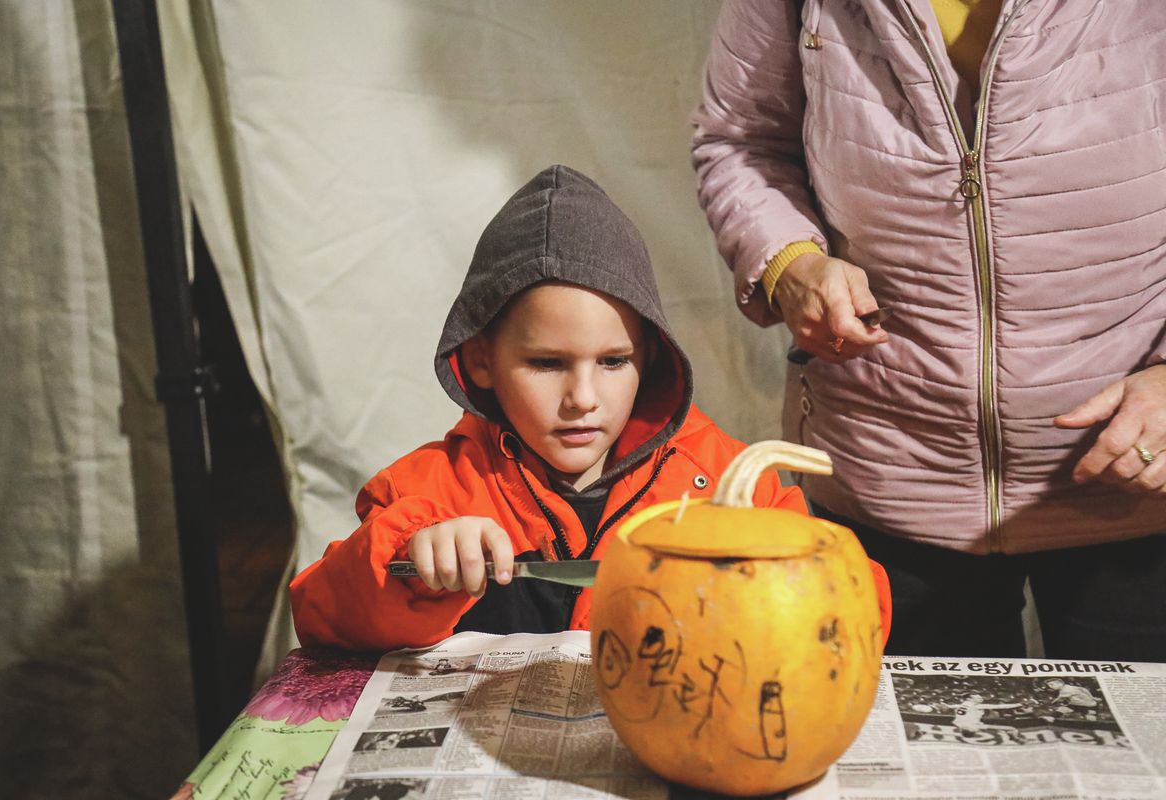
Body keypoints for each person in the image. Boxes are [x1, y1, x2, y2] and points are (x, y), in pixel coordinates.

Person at [690, 1, 1166, 661]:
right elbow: (740, 140)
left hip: (1137, 490)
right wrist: (788, 263)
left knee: (1141, 763)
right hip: (886, 473)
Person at [290, 165, 893, 653]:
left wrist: (781, 580)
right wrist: (410, 561)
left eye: (612, 361)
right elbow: (320, 616)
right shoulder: (431, 491)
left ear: (651, 359)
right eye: (547, 364)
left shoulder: (731, 482)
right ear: (480, 362)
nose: (582, 398)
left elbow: (863, 602)